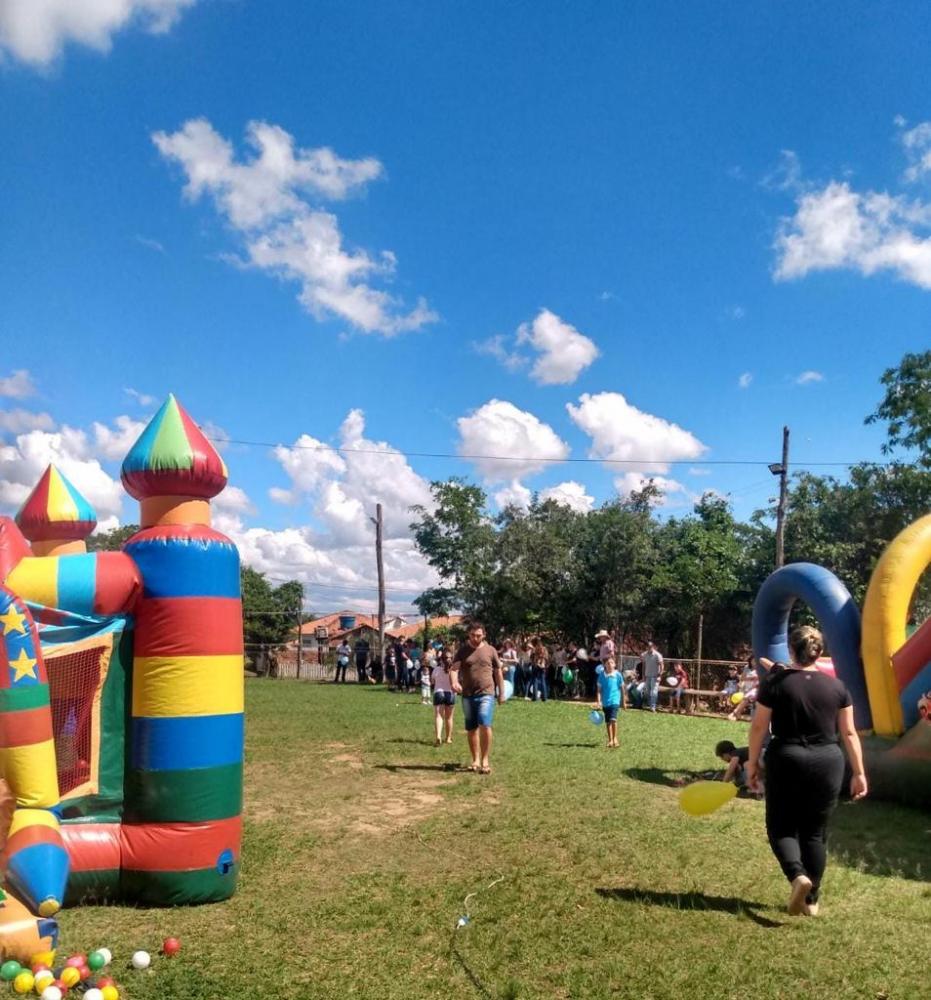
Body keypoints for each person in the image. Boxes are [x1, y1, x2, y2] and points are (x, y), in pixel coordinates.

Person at [747, 626, 868, 917]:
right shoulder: (837, 688)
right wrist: (859, 773)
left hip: (787, 758)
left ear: (791, 650)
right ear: (819, 652)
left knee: (781, 827)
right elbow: (849, 733)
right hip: (828, 761)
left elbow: (759, 726)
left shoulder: (776, 683)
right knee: (815, 834)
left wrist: (752, 763)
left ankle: (797, 876)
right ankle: (811, 900)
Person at [449, 622, 505, 774]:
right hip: (467, 695)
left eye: (478, 635)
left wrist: (501, 693)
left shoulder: (490, 650)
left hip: (487, 693)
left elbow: (498, 672)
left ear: (484, 635)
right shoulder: (463, 651)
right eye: (473, 635)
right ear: (469, 635)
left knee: (484, 722)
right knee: (472, 728)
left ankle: (485, 760)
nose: (475, 638)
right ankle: (475, 759)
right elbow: (454, 669)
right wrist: (454, 682)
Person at [596, 656, 623, 748]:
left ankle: (615, 738)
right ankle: (610, 740)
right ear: (604, 665)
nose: (610, 665)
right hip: (605, 702)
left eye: (612, 663)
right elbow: (599, 690)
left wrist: (624, 701)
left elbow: (622, 687)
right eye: (608, 663)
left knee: (613, 719)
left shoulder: (618, 675)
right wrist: (599, 702)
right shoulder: (601, 676)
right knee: (608, 722)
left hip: (615, 701)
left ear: (615, 664)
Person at [432, 650, 456, 746]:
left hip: (438, 693)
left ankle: (438, 736)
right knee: (449, 718)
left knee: (439, 716)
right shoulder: (453, 670)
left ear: (441, 659)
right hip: (450, 694)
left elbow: (432, 681)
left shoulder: (436, 669)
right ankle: (448, 738)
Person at [642, 641, 664, 712]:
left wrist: (659, 675)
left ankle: (653, 707)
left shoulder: (658, 655)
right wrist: (643, 675)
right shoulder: (645, 654)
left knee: (654, 692)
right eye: (648, 647)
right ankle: (650, 704)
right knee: (647, 692)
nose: (649, 648)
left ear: (653, 647)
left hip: (655, 676)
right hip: (647, 676)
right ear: (646, 647)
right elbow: (644, 665)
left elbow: (662, 666)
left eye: (651, 647)